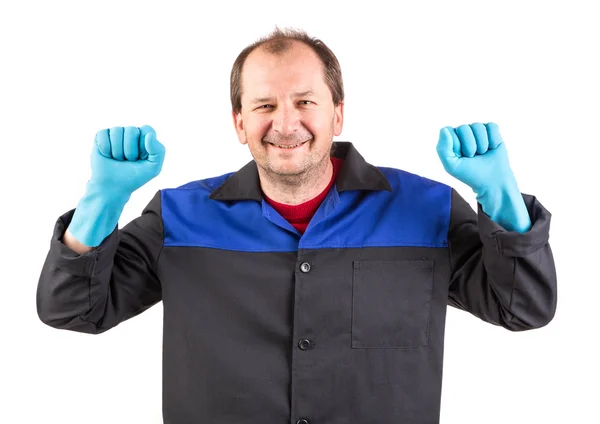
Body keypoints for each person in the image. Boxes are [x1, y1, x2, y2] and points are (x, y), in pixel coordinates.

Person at [36, 27, 557, 424]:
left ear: (338, 115)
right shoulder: (179, 217)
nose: (285, 124)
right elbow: (73, 311)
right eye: (264, 104)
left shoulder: (427, 211)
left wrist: (501, 198)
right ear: (239, 122)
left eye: (305, 101)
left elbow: (523, 307)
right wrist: (102, 202)